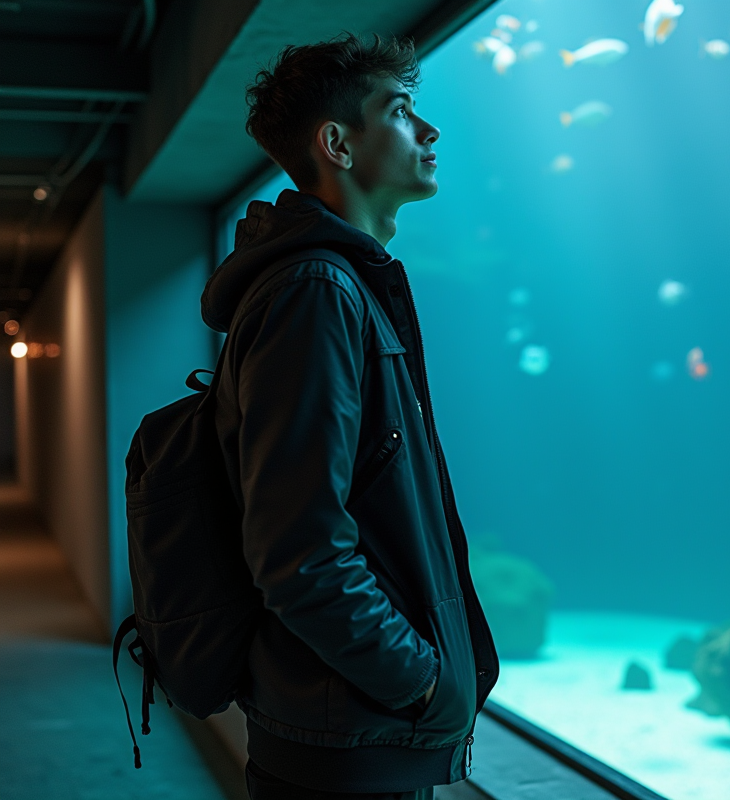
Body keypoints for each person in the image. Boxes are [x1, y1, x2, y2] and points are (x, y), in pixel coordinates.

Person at [202, 34, 497, 800]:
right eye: (401, 112)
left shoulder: (338, 286)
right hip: (348, 752)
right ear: (336, 143)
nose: (429, 132)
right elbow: (299, 550)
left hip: (350, 734)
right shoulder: (317, 292)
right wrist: (422, 686)